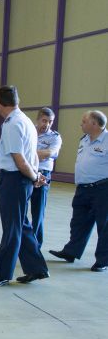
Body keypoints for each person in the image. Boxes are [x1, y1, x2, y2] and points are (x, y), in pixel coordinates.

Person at [0, 85, 49, 287]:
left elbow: (19, 159)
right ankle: (37, 268)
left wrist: (33, 176)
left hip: (14, 180)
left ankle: (2, 274)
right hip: (23, 179)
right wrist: (35, 176)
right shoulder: (27, 121)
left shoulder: (12, 124)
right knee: (22, 225)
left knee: (12, 229)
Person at [0, 107, 62, 251]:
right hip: (23, 173)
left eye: (50, 122)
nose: (47, 124)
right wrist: (26, 154)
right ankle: (7, 242)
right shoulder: (28, 129)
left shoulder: (55, 137)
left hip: (42, 175)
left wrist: (27, 153)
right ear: (38, 119)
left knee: (38, 212)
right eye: (44, 120)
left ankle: (35, 247)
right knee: (15, 213)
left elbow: (50, 153)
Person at [49, 110, 108, 272]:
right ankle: (71, 252)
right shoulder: (84, 140)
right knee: (78, 223)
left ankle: (103, 260)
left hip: (102, 189)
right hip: (83, 189)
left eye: (84, 121)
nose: (81, 124)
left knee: (104, 226)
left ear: (94, 124)